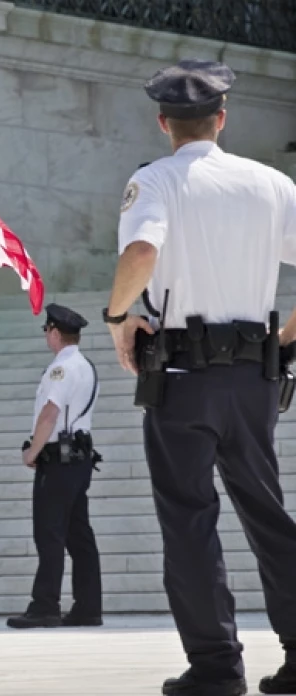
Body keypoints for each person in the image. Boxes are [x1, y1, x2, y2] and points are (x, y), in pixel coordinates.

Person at [104, 59, 296, 696]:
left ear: (164, 123)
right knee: (269, 515)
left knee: (189, 519)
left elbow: (140, 252)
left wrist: (116, 317)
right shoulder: (272, 183)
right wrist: (284, 342)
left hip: (184, 374)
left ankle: (216, 667)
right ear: (223, 118)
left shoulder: (155, 182)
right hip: (255, 377)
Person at [6, 305, 102, 630]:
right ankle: (88, 606)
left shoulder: (61, 369)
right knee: (79, 535)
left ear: (55, 332)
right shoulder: (85, 366)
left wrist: (33, 451)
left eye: (47, 331)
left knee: (49, 534)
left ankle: (45, 605)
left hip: (59, 461)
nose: (47, 336)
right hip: (79, 459)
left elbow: (50, 413)